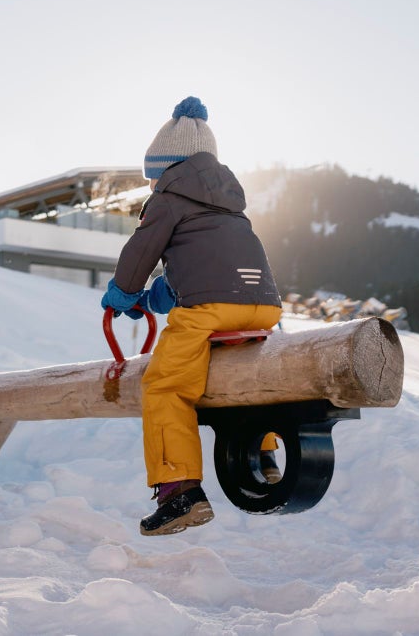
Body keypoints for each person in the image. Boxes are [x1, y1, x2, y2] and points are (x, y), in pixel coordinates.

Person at [101, 96, 283, 536]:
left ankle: (179, 490)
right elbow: (205, 268)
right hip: (263, 305)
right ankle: (262, 455)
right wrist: (155, 299)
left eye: (152, 176)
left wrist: (124, 294)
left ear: (167, 168)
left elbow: (141, 251)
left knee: (165, 387)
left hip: (210, 309)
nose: (150, 185)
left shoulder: (168, 198)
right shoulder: (228, 205)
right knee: (244, 379)